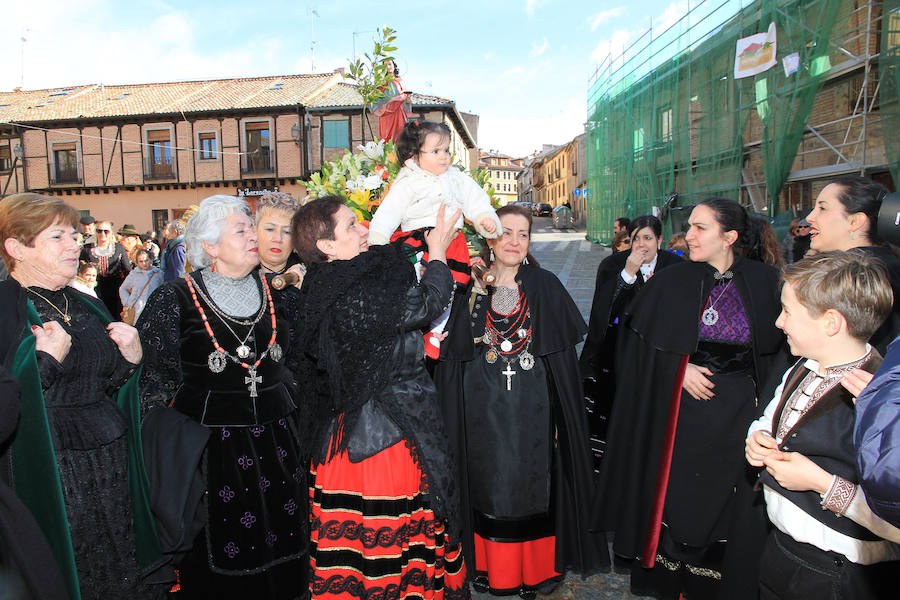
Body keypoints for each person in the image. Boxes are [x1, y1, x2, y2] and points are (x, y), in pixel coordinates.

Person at [593, 198, 787, 600]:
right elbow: (634, 346)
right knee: (677, 499)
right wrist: (677, 369)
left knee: (723, 503)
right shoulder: (672, 280)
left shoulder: (766, 282)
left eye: (701, 228)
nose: (690, 236)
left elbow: (779, 355)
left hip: (737, 417)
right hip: (679, 417)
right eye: (691, 226)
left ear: (729, 237)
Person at [291, 196, 467, 600]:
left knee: (385, 544)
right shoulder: (351, 292)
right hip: (380, 439)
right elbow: (426, 304)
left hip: (364, 431)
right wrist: (438, 251)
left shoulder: (341, 280)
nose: (365, 228)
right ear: (327, 247)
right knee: (383, 543)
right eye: (351, 225)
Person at [136, 195, 307, 599]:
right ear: (210, 246)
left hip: (280, 445)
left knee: (286, 548)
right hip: (212, 453)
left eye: (252, 228)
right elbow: (155, 382)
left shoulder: (280, 295)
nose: (254, 236)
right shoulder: (174, 298)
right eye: (241, 230)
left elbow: (299, 365)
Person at [438, 204, 609, 597]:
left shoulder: (545, 285)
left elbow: (563, 364)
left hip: (535, 412)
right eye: (506, 232)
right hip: (482, 412)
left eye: (523, 234)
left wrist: (560, 418)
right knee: (489, 486)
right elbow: (454, 354)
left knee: (534, 488)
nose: (514, 241)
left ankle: (534, 571)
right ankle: (492, 569)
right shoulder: (470, 287)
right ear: (489, 237)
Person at [0, 193, 162, 600]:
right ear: (16, 247)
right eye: (58, 237)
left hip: (110, 460)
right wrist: (43, 362)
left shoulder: (86, 303)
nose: (76, 245)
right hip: (53, 468)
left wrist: (131, 360)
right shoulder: (4, 310)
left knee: (120, 566)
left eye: (75, 236)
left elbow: (107, 383)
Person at [745, 251, 900, 599]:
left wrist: (820, 483)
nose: (778, 322)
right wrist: (757, 439)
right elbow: (766, 421)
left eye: (788, 312)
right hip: (782, 550)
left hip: (838, 574)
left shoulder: (886, 403)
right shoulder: (801, 367)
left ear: (831, 323)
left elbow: (896, 522)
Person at [368, 119, 501, 358]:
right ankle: (420, 331)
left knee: (449, 291)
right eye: (436, 151)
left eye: (447, 150)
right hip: (420, 240)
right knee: (419, 288)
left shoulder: (456, 178)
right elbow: (388, 212)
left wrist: (483, 218)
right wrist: (377, 241)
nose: (444, 157)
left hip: (453, 243)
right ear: (413, 154)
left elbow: (475, 198)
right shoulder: (408, 181)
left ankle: (435, 333)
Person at [580, 215, 683, 469]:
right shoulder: (612, 265)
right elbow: (602, 313)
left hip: (660, 357)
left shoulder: (675, 266)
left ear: (659, 240)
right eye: (636, 238)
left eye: (648, 238)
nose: (641, 245)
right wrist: (628, 274)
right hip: (619, 357)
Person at [805, 175, 900, 353]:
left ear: (855, 221)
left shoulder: (859, 277)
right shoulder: (886, 266)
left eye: (822, 208)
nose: (809, 218)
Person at [80, 219, 131, 316]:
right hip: (94, 288)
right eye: (99, 231)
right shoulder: (87, 249)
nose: (102, 234)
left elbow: (127, 269)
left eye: (106, 231)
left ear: (110, 232)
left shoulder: (118, 248)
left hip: (116, 289)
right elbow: (80, 270)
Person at [119, 249, 163, 323]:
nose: (144, 263)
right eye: (141, 261)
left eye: (146, 260)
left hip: (153, 307)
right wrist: (127, 302)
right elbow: (123, 288)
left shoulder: (158, 274)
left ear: (151, 260)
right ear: (137, 262)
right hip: (137, 308)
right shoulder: (134, 274)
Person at [371, 59, 410, 142]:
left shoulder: (400, 81)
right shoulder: (381, 83)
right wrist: (394, 100)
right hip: (387, 114)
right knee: (387, 137)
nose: (388, 67)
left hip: (399, 112)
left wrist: (407, 100)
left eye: (389, 64)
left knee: (400, 135)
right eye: (385, 65)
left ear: (394, 65)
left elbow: (405, 98)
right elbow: (376, 100)